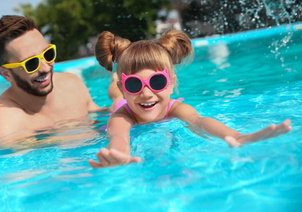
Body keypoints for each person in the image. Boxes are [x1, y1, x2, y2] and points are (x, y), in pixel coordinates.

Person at [88, 29, 292, 169]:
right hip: (122, 104)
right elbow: (119, 137)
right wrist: (119, 155)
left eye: (157, 82)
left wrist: (236, 136)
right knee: (114, 99)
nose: (147, 93)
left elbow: (199, 121)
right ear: (126, 89)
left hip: (130, 98)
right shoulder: (122, 116)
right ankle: (114, 83)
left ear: (171, 82)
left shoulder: (174, 108)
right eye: (134, 84)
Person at [0, 15, 106, 145]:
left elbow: (101, 116)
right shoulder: (1, 121)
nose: (45, 67)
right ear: (6, 74)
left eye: (48, 54)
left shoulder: (71, 85)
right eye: (31, 63)